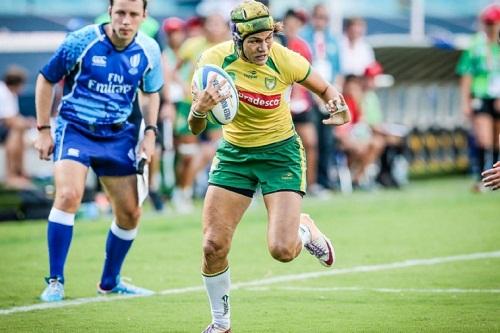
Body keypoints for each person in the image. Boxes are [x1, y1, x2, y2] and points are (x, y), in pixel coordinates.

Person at [188, 1, 350, 332]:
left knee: (282, 250)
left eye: (267, 39)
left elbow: (325, 88)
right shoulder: (213, 62)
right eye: (254, 42)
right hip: (235, 155)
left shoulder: (285, 59)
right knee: (212, 245)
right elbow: (195, 128)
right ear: (237, 40)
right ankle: (220, 324)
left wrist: (340, 107)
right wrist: (200, 110)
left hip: (280, 155)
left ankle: (303, 228)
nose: (263, 48)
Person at [34, 0, 163, 302]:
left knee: (130, 213)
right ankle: (55, 281)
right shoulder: (82, 40)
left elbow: (150, 92)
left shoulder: (150, 50)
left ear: (144, 16)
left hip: (118, 135)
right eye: (120, 12)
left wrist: (150, 133)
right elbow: (46, 78)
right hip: (76, 129)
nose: (126, 20)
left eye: (133, 14)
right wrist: (42, 130)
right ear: (109, 12)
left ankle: (109, 282)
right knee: (68, 196)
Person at [456, 4, 500, 192]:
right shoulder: (475, 45)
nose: (490, 27)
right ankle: (481, 178)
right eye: (487, 23)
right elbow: (466, 75)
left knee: (498, 140)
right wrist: (464, 102)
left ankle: (495, 178)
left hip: (498, 97)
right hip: (481, 95)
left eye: (493, 23)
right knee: (484, 139)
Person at [301, 3, 342, 191]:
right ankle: (311, 181)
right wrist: (316, 95)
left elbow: (338, 71)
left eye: (324, 18)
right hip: (311, 96)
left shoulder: (333, 40)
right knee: (312, 141)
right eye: (318, 17)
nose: (321, 21)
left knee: (327, 139)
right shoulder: (304, 38)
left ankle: (325, 180)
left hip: (329, 96)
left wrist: (334, 96)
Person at [0, 65, 35, 189]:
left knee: (19, 129)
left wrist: (26, 122)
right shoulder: (3, 93)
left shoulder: (10, 93)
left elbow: (13, 116)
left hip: (4, 127)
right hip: (5, 128)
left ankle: (19, 172)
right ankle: (12, 174)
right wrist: (26, 123)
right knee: (16, 130)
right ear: (18, 84)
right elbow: (9, 120)